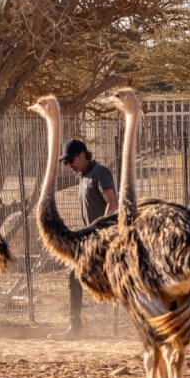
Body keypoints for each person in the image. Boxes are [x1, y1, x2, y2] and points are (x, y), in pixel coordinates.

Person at [49, 139, 118, 339]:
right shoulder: (84, 176)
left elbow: (112, 203)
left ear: (82, 155)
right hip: (89, 238)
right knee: (74, 276)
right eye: (65, 163)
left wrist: (96, 230)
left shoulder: (100, 172)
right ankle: (75, 327)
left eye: (71, 160)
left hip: (102, 238)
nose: (69, 165)